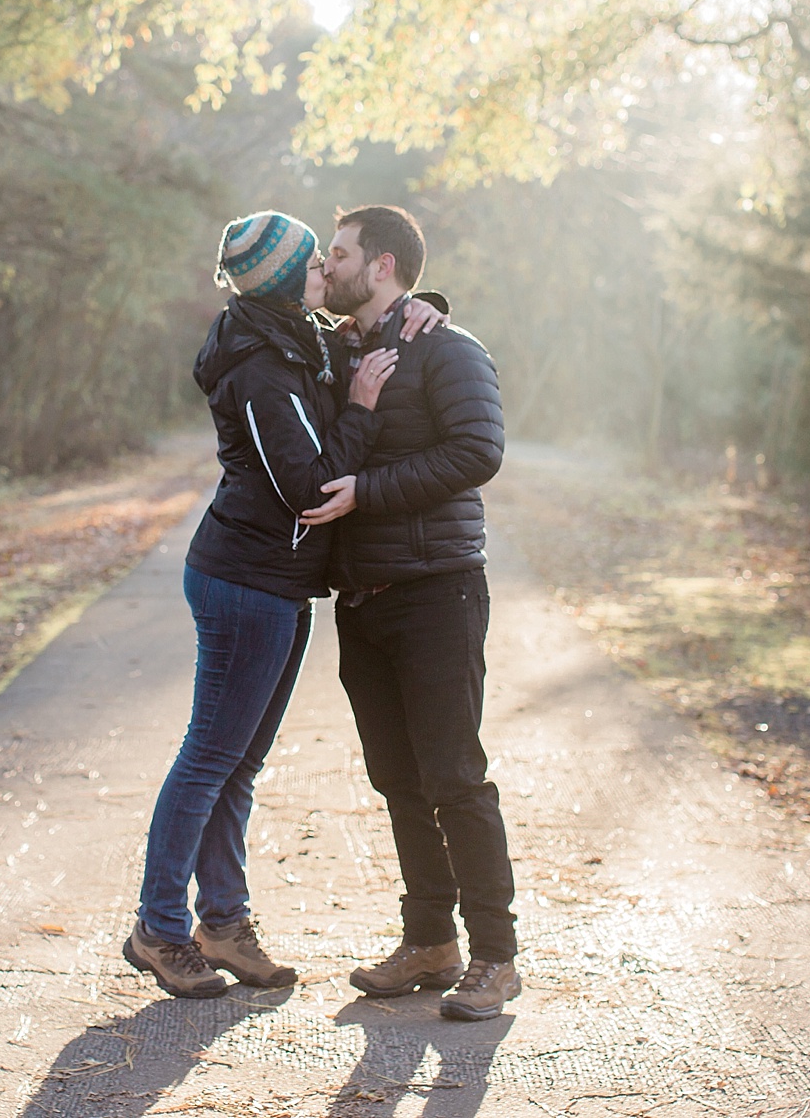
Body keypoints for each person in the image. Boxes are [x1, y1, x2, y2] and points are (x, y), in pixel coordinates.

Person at [124, 211, 438, 1000]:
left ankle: (223, 923)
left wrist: (431, 303)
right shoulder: (262, 365)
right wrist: (363, 411)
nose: (324, 273)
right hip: (244, 581)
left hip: (279, 583)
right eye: (312, 263)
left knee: (238, 763)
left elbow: (369, 328)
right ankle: (159, 927)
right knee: (209, 758)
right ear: (282, 276)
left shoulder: (297, 335)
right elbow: (307, 486)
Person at [297, 204, 518, 1022]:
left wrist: (369, 491)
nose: (329, 264)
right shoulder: (341, 347)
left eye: (340, 252)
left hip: (438, 589)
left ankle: (496, 955)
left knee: (455, 776)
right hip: (365, 596)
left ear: (382, 265)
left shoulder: (450, 350)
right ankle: (430, 940)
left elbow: (478, 452)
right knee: (397, 777)